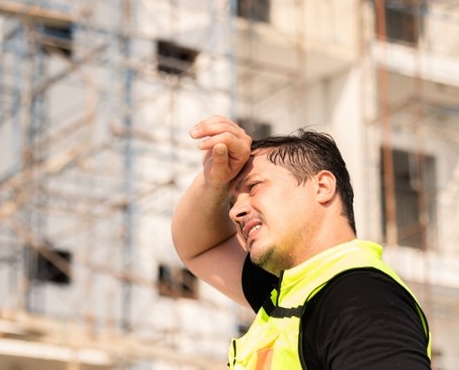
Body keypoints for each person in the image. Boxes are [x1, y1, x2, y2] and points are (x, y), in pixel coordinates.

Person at [171, 115, 431, 369]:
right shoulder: (294, 291)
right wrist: (213, 179)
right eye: (232, 201)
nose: (235, 211)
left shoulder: (359, 297)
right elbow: (197, 246)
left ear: (322, 187)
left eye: (253, 186)